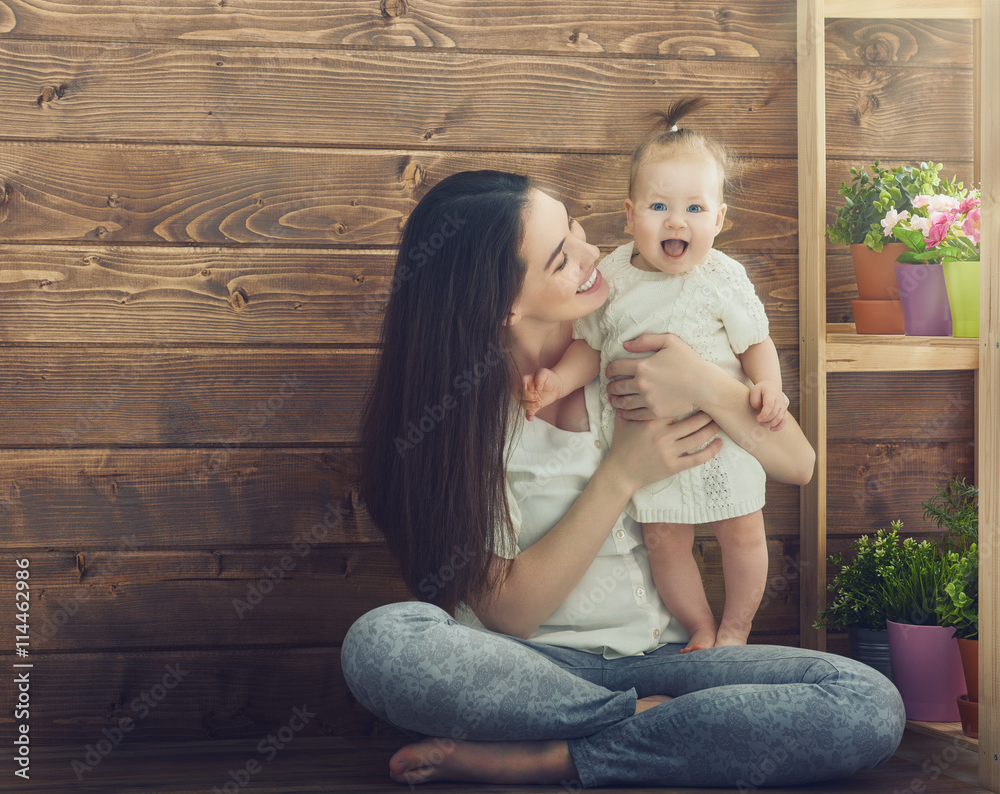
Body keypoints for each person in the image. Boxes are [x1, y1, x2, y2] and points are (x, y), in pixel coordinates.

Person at [343, 169, 904, 788]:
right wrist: (622, 472)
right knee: (383, 643)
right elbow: (512, 614)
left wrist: (703, 381)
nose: (591, 253)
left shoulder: (634, 334)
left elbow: (795, 463)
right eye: (562, 258)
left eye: (576, 228)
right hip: (526, 671)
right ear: (503, 305)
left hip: (668, 664)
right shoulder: (454, 421)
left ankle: (557, 756)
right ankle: (631, 726)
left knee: (867, 701)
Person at [519, 97, 782, 653]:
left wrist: (769, 389)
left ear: (718, 220)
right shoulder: (613, 276)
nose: (676, 221)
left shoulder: (722, 277)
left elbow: (756, 341)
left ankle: (735, 626)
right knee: (664, 540)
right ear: (631, 214)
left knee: (743, 533)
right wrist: (559, 383)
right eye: (659, 205)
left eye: (694, 208)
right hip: (645, 446)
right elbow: (593, 347)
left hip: (719, 439)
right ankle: (700, 627)